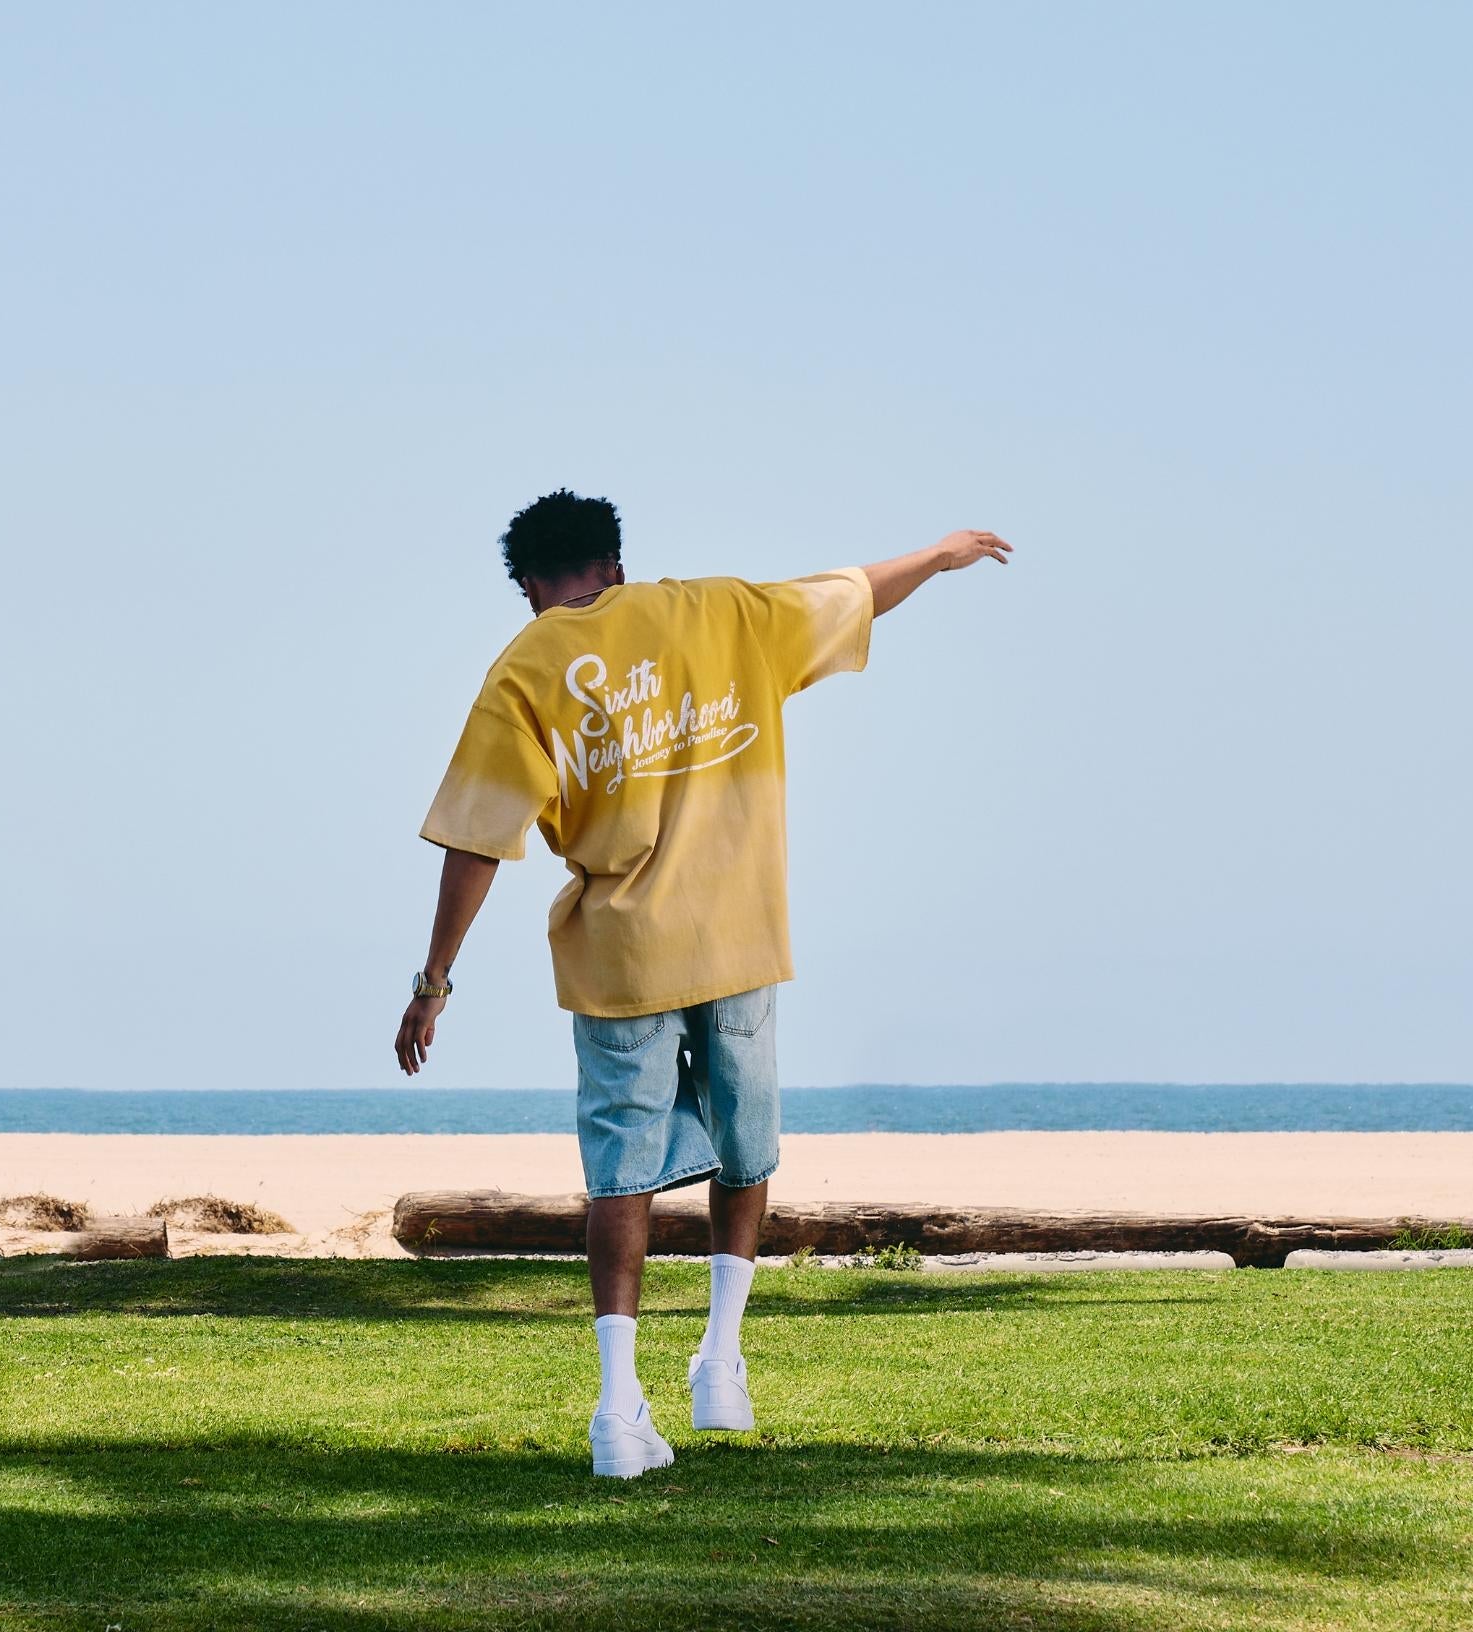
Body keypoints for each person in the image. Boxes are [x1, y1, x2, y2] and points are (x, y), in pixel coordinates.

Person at [395, 489, 1011, 1477]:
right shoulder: (722, 613)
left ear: (528, 588)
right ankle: (720, 1358)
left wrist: (434, 982)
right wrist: (938, 556)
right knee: (746, 1145)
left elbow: (477, 840)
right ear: (617, 564)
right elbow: (850, 591)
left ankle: (614, 1407)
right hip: (739, 934)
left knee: (621, 1172)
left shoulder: (525, 666)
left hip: (620, 955)